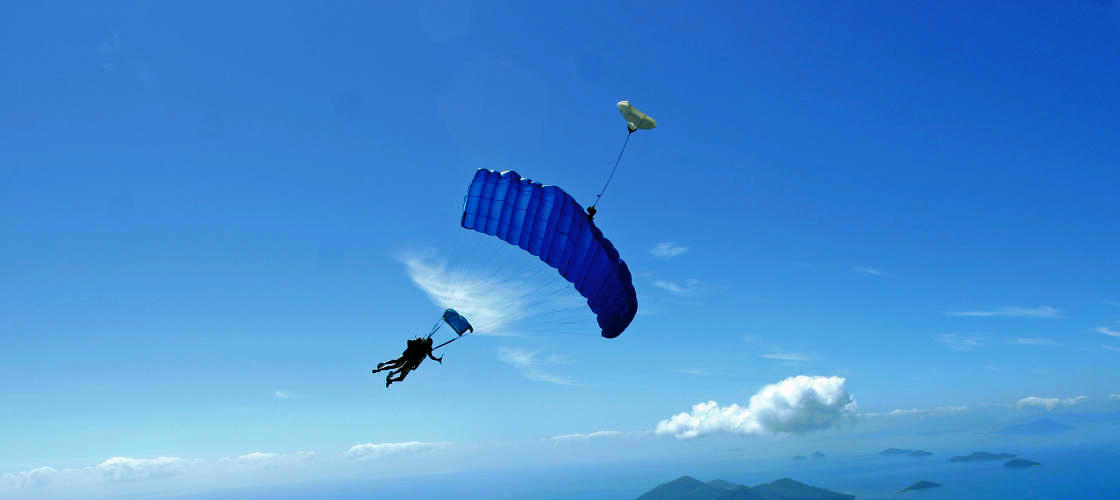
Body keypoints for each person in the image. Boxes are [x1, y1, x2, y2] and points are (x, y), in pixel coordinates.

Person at [372, 336, 442, 387]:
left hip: (407, 355)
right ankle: (392, 373)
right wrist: (438, 359)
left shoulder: (421, 341)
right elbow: (431, 357)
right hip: (411, 359)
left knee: (396, 364)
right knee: (400, 368)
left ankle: (383, 370)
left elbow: (409, 341)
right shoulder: (427, 347)